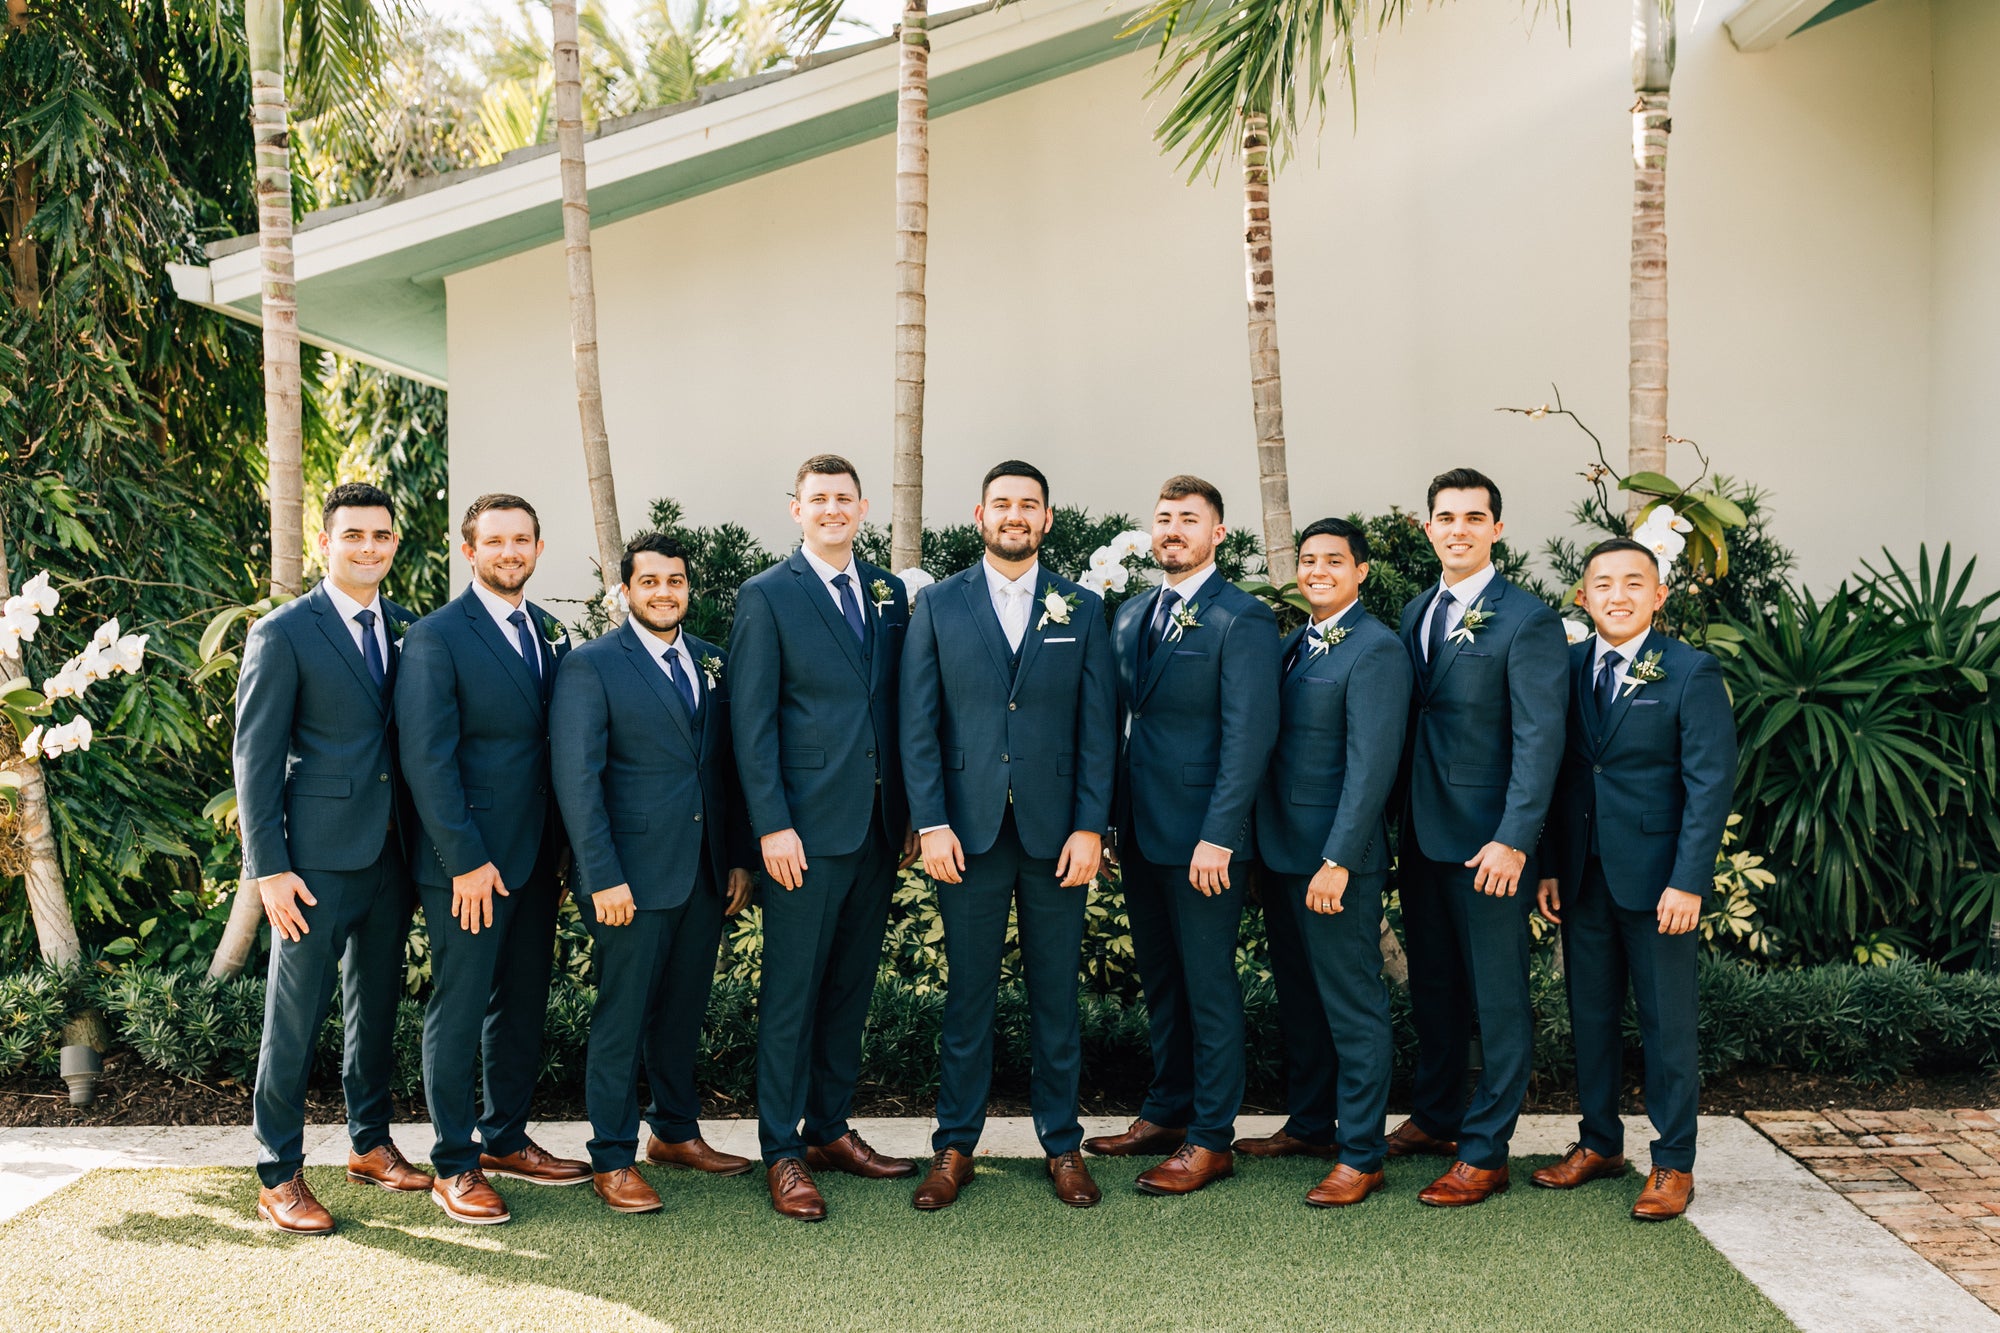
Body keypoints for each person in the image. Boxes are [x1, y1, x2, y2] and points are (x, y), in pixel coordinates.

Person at [899, 461, 1116, 1210]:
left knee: (1056, 998)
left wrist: (1091, 826)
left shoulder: (1083, 607)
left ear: (1048, 518)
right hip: (968, 833)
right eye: (1002, 504)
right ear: (979, 515)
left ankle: (1063, 1145)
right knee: (968, 999)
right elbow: (917, 725)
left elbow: (1098, 730)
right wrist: (930, 821)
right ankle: (955, 1145)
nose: (1015, 515)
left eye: (1029, 504)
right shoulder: (938, 603)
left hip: (1059, 836)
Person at [235, 482, 429, 1234]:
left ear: (393, 544)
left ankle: (370, 1142)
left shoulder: (410, 627)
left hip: (392, 853)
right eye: (354, 535)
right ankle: (278, 1170)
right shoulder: (283, 632)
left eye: (381, 535)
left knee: (375, 1005)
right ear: (326, 542)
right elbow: (254, 757)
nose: (368, 547)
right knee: (295, 1014)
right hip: (311, 863)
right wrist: (270, 867)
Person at [729, 454, 918, 1221]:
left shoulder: (889, 591)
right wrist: (771, 824)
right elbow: (752, 722)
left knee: (848, 986)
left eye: (844, 498)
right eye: (819, 499)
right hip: (801, 832)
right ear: (795, 510)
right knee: (793, 992)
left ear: (864, 506)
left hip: (876, 829)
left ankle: (829, 1127)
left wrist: (906, 811)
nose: (833, 509)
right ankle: (782, 1148)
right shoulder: (767, 595)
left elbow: (902, 705)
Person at [396, 494, 590, 1225]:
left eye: (522, 540)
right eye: (495, 540)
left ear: (539, 547)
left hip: (538, 858)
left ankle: (505, 1136)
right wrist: (464, 861)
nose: (510, 551)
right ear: (469, 550)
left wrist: (566, 853)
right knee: (461, 1004)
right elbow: (428, 758)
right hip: (467, 864)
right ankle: (454, 1161)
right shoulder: (436, 637)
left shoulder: (548, 632)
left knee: (521, 1004)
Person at [552, 532, 758, 1215]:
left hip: (701, 874)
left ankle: (673, 1131)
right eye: (651, 581)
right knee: (623, 1016)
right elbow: (578, 780)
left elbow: (721, 772)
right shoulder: (592, 666)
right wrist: (602, 874)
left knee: (680, 1011)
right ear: (625, 590)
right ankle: (612, 1156)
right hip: (628, 880)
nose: (665, 591)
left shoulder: (713, 662)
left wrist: (734, 858)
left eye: (676, 580)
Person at [1085, 475, 1280, 1195]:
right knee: (1163, 982)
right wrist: (1107, 822)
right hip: (1140, 832)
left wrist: (1221, 835)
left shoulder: (1243, 618)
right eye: (1164, 518)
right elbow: (1118, 725)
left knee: (1208, 985)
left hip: (1205, 841)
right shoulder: (1133, 612)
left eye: (1189, 519)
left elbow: (1249, 736)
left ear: (1217, 533)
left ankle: (1210, 1136)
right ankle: (1166, 1110)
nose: (1173, 529)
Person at [1533, 536, 1735, 1222]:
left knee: (1665, 1023)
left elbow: (1708, 785)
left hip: (1659, 884)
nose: (1616, 595)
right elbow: (1560, 773)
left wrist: (1689, 880)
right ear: (1583, 596)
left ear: (1658, 595)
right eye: (1602, 584)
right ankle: (1599, 1143)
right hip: (1584, 877)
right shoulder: (1565, 667)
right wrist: (1553, 865)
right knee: (1590, 1018)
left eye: (1632, 583)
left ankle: (1673, 1161)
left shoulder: (1689, 671)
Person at [1390, 467, 1567, 1207]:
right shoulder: (1413, 611)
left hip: (1492, 844)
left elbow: (1540, 737)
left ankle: (1488, 1147)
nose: (1457, 528)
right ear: (1427, 527)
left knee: (1496, 996)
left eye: (1473, 516)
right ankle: (1436, 1115)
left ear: (1497, 528)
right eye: (1445, 516)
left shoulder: (1527, 619)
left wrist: (1516, 837)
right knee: (1433, 987)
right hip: (1423, 837)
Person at [1240, 518, 1413, 1207]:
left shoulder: (1375, 650)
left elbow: (1371, 767)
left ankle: (1363, 1150)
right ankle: (1311, 1125)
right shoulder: (1291, 646)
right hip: (1283, 856)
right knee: (1302, 1000)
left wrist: (1339, 857)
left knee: (1351, 1002)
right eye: (1308, 560)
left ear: (1361, 571)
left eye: (1333, 560)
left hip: (1335, 861)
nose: (1317, 570)